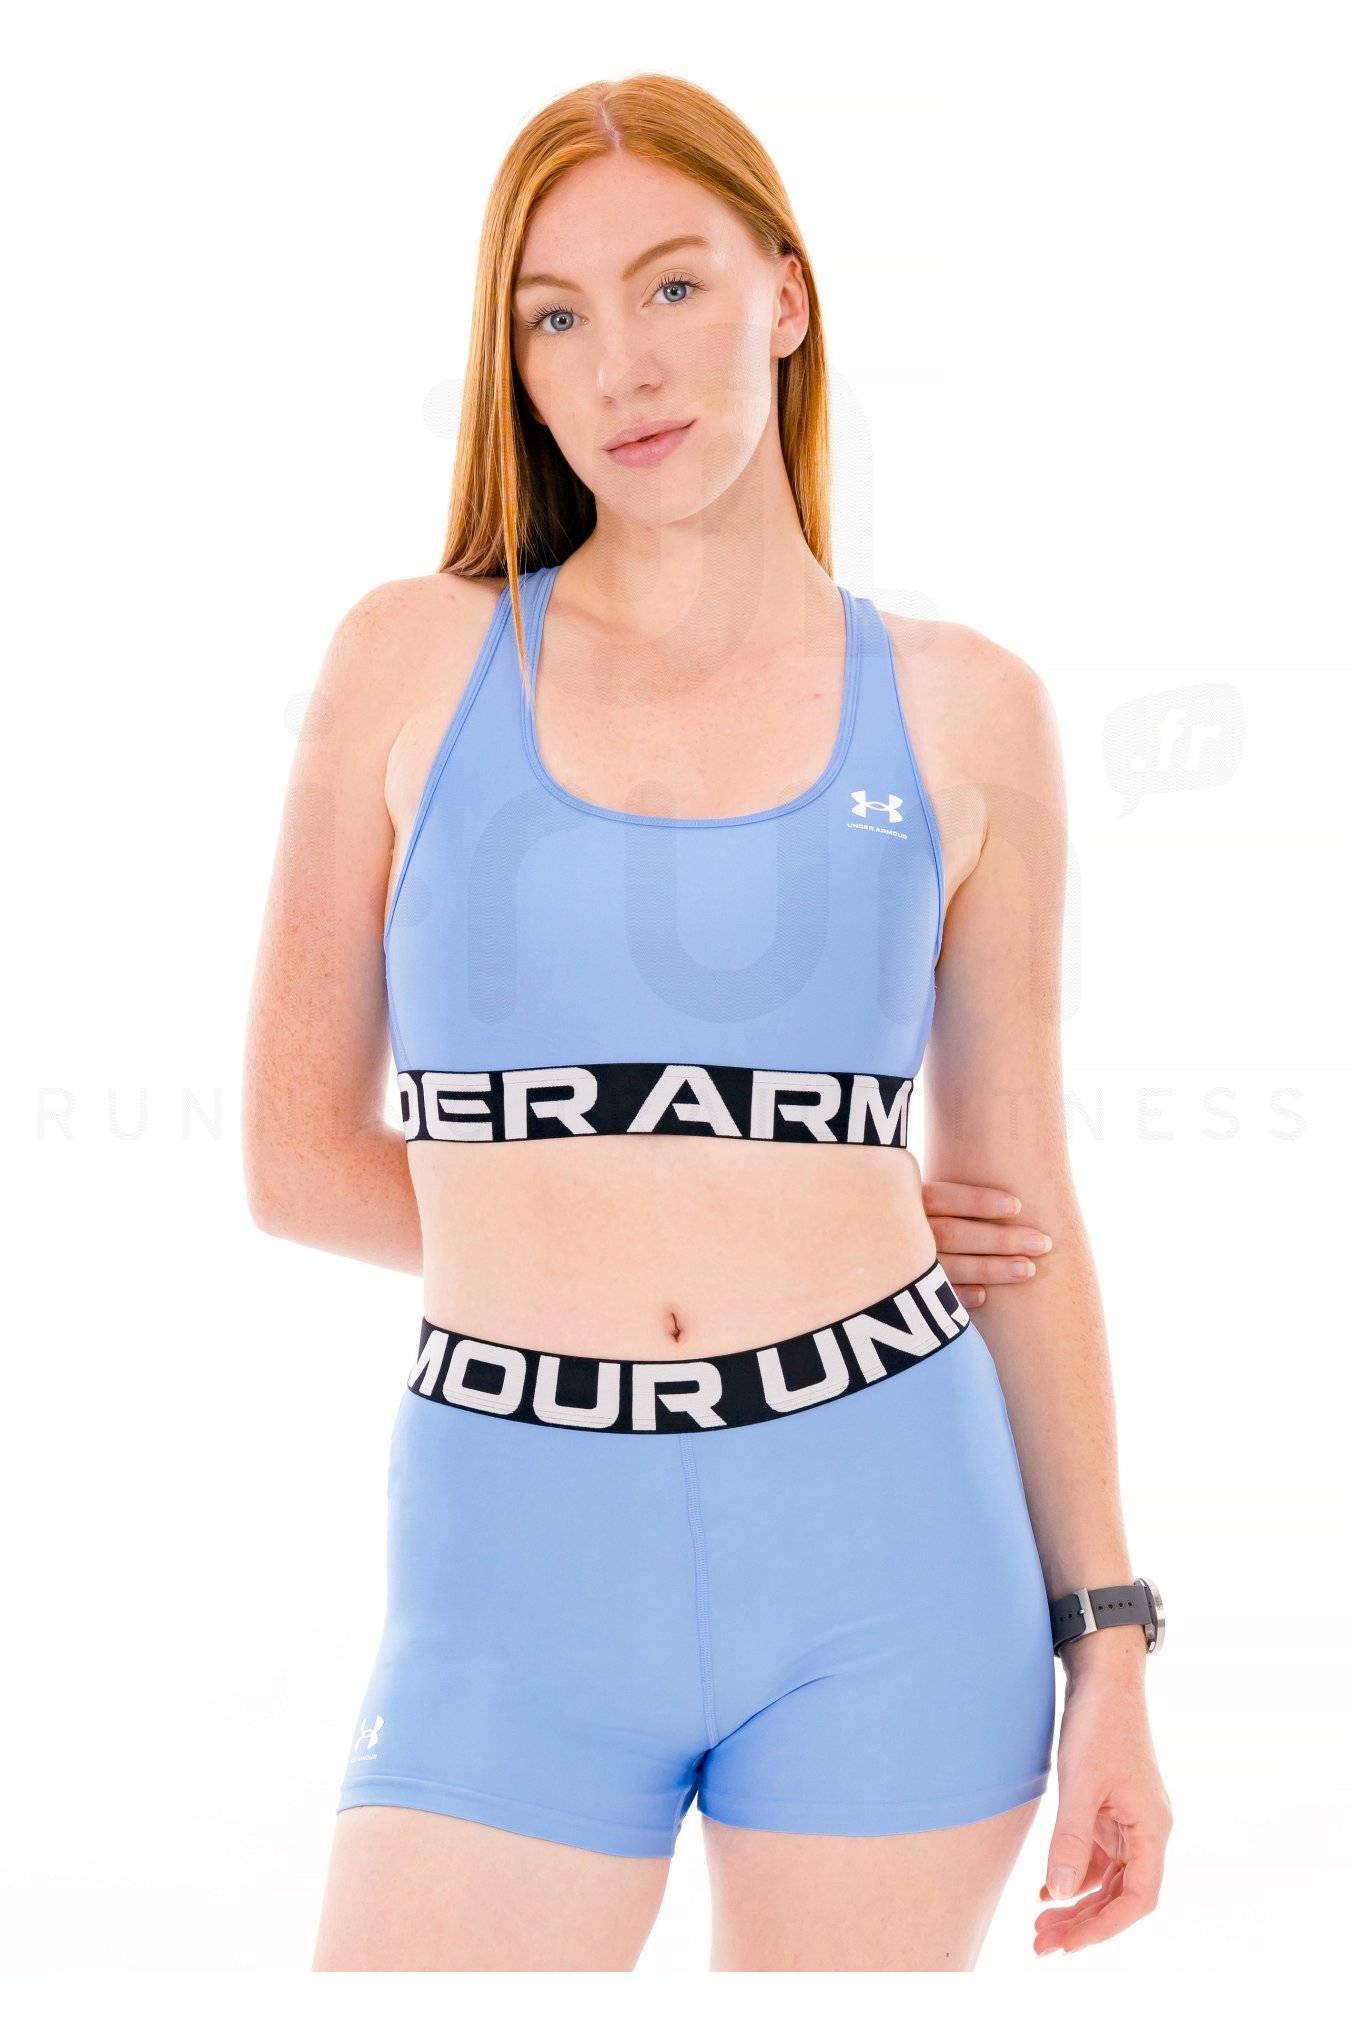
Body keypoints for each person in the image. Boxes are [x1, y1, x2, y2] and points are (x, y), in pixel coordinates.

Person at [243, 72, 1171, 1972]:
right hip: (514, 1552)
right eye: (555, 316)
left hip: (894, 1544)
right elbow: (293, 1158)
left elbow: (1022, 1212)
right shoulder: (412, 658)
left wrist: (1112, 1646)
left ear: (787, 297)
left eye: (673, 285)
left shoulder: (968, 704)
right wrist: (686, 1204)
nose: (622, 366)